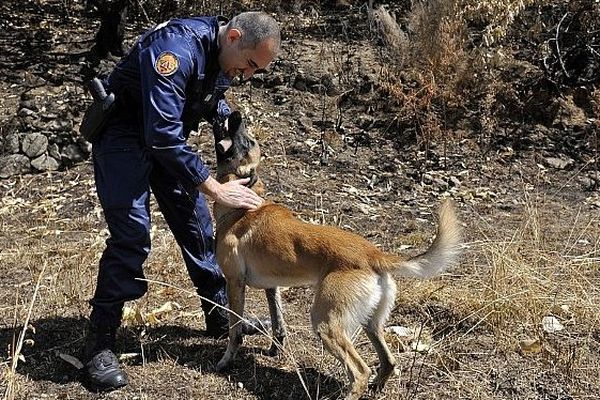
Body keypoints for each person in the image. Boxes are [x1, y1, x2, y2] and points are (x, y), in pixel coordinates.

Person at [82, 12, 281, 391]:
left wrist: (231, 139)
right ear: (234, 37)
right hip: (125, 136)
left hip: (165, 142)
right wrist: (215, 188)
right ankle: (100, 344)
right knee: (132, 236)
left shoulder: (222, 54)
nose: (249, 75)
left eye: (258, 70)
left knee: (198, 227)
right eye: (251, 64)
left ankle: (220, 313)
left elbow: (210, 104)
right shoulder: (175, 49)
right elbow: (163, 137)